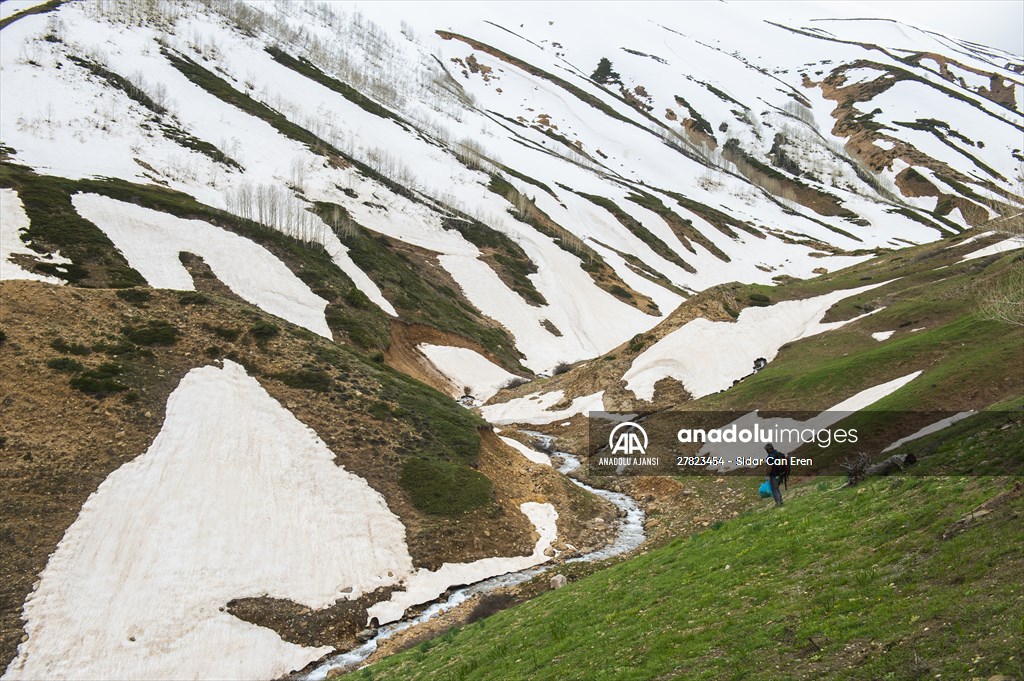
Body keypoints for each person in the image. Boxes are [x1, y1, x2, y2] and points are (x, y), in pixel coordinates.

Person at [764, 443, 789, 507]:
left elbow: (769, 467)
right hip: (781, 474)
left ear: (768, 449)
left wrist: (767, 475)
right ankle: (781, 501)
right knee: (777, 488)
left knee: (774, 490)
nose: (766, 451)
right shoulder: (778, 453)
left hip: (774, 475)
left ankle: (778, 503)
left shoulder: (770, 457)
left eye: (766, 449)